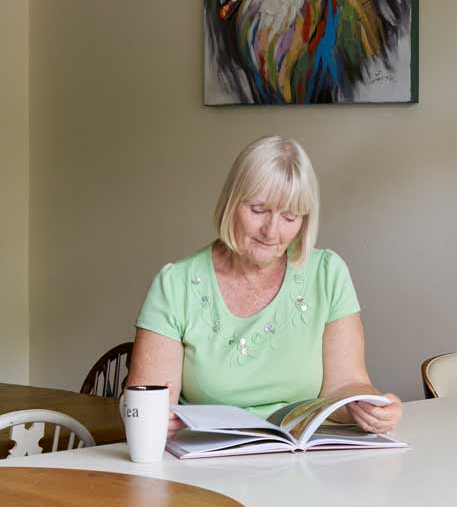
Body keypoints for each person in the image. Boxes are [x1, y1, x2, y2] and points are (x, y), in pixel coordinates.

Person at [126, 136, 403, 435]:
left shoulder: (327, 273)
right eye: (258, 210)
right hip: (205, 461)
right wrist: (155, 419)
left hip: (301, 458)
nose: (272, 232)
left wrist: (369, 407)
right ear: (231, 203)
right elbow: (148, 402)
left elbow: (345, 383)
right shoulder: (176, 285)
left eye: (289, 216)